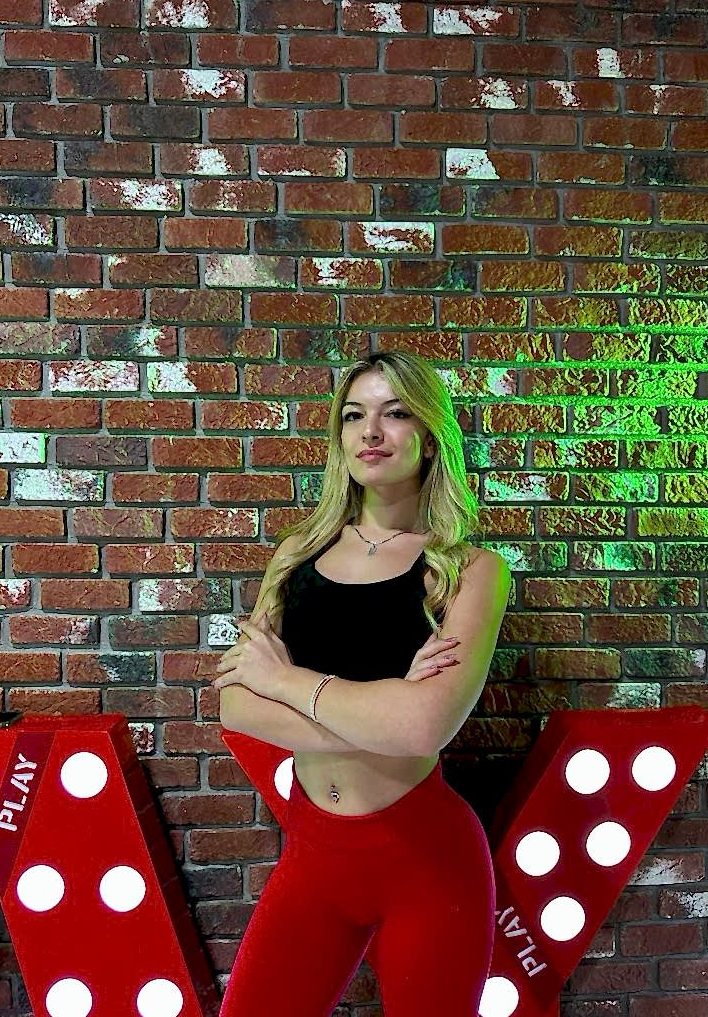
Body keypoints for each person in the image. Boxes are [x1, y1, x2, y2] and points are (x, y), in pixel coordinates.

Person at [210, 350, 512, 1017]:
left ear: (429, 437)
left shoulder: (468, 570)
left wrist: (283, 679)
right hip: (314, 854)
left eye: (394, 413)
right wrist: (381, 711)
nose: (370, 432)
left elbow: (424, 727)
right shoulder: (297, 555)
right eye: (353, 416)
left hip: (425, 861)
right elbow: (236, 706)